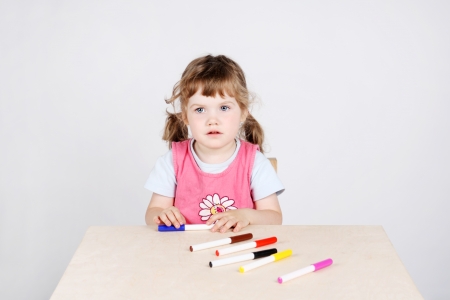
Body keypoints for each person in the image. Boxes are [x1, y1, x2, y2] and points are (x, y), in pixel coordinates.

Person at [144, 54, 284, 233]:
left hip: (237, 250)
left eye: (224, 108)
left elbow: (274, 217)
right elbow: (151, 214)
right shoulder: (173, 160)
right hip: (182, 253)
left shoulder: (254, 162)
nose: (212, 120)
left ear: (243, 112)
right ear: (185, 116)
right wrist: (163, 214)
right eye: (200, 109)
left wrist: (247, 216)